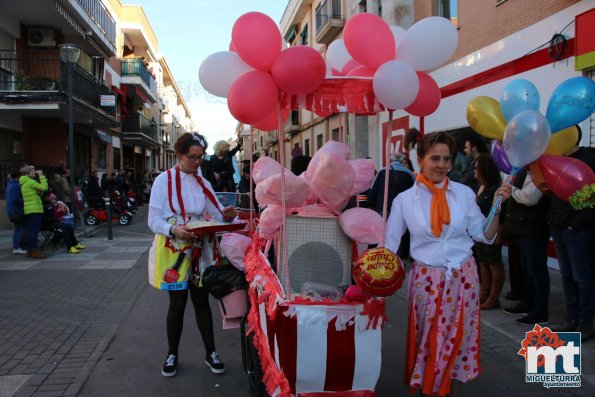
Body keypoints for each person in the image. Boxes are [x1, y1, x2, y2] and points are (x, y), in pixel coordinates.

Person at [385, 131, 510, 397]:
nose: (441, 164)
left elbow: (484, 234)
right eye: (435, 158)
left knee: (460, 343)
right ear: (420, 160)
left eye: (446, 159)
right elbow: (389, 247)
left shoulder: (463, 194)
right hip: (426, 283)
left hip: (464, 278)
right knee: (429, 344)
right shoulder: (404, 201)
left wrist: (497, 206)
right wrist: (373, 281)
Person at [148, 132, 236, 378]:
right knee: (177, 304)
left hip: (199, 247)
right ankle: (171, 354)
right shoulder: (162, 181)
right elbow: (153, 219)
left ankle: (211, 353)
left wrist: (227, 216)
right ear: (179, 155)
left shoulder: (204, 183)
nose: (198, 163)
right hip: (174, 247)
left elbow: (216, 213)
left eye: (200, 158)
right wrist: (173, 229)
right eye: (192, 158)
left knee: (201, 301)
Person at [548, 127, 595, 341]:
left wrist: (574, 225)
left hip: (577, 230)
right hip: (559, 226)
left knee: (582, 276)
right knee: (567, 275)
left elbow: (590, 201)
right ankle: (572, 318)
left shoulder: (586, 161)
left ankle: (586, 322)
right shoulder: (557, 160)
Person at [500, 170, 551, 325]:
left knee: (537, 270)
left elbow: (530, 198)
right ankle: (528, 302)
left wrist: (511, 189)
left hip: (534, 227)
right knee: (527, 268)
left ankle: (540, 310)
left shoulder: (540, 171)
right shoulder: (524, 170)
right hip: (523, 227)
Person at [368, 152, 415, 259]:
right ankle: (394, 264)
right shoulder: (409, 174)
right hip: (403, 213)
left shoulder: (382, 172)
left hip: (382, 211)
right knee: (396, 238)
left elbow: (372, 193)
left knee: (380, 238)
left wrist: (370, 204)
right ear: (403, 161)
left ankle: (378, 261)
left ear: (390, 160)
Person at [473, 154, 505, 310]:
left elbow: (498, 210)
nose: (474, 169)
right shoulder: (480, 185)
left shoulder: (495, 188)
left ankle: (494, 297)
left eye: (477, 166)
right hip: (479, 232)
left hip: (490, 232)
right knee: (483, 264)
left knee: (494, 264)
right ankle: (484, 293)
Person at [20, 165, 48, 259]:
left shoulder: (25, 182)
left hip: (29, 209)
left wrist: (40, 192)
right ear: (28, 172)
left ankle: (30, 251)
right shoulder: (31, 182)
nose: (35, 172)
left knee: (31, 231)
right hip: (35, 209)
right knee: (34, 231)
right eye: (33, 171)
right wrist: (42, 176)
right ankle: (35, 252)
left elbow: (39, 191)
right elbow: (44, 188)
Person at [6, 168, 27, 254]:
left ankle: (16, 247)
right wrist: (25, 200)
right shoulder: (17, 186)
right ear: (19, 176)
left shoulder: (10, 184)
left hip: (12, 211)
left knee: (17, 229)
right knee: (21, 229)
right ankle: (17, 247)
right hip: (17, 211)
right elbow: (16, 199)